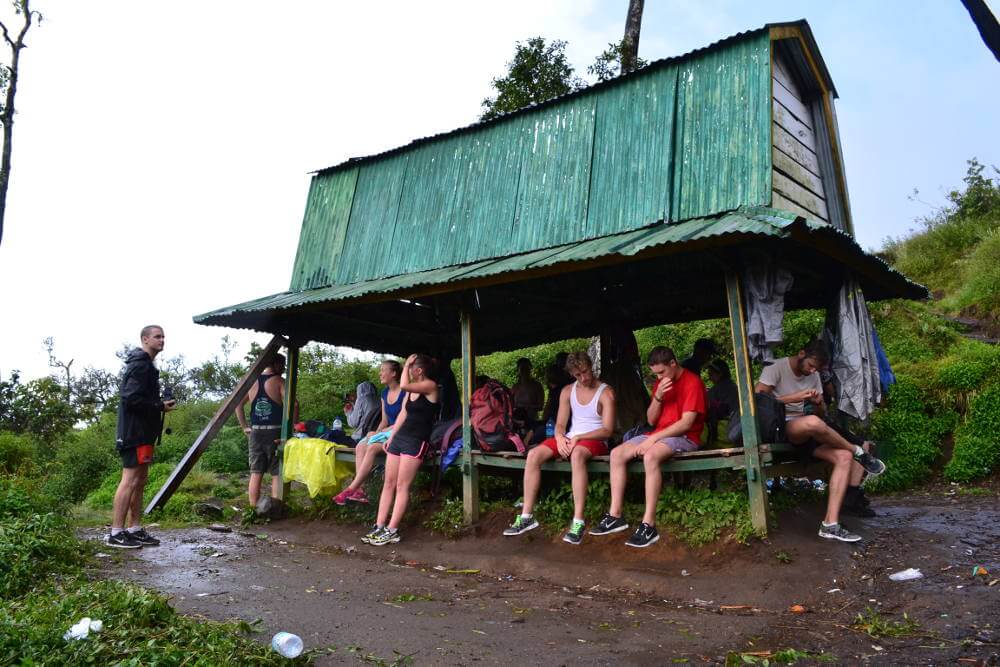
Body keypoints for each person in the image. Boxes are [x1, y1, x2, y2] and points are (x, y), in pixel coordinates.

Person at [755, 339, 886, 543]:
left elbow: (820, 413)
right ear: (801, 354)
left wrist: (818, 403)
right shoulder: (776, 367)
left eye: (817, 368)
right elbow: (757, 399)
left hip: (811, 431)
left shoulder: (814, 376)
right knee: (814, 424)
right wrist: (796, 397)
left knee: (842, 456)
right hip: (781, 425)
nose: (812, 371)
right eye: (810, 365)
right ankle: (858, 452)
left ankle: (830, 524)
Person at [591, 346, 706, 548]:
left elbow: (686, 423)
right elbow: (651, 420)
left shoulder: (692, 382)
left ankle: (648, 524)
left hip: (686, 437)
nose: (659, 377)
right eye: (655, 374)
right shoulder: (660, 383)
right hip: (658, 433)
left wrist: (651, 440)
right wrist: (659, 396)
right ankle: (615, 515)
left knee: (650, 455)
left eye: (661, 372)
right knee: (617, 453)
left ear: (673, 363)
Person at [504, 352, 615, 545]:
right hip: (571, 438)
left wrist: (579, 437)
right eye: (578, 375)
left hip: (594, 439)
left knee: (577, 454)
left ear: (591, 366)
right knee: (534, 454)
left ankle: (578, 520)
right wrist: (559, 437)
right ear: (571, 374)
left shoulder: (606, 392)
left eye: (586, 371)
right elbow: (561, 423)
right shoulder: (567, 391)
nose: (584, 378)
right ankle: (527, 516)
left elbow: (607, 430)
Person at [107, 325, 176, 549]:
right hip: (133, 433)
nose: (162, 340)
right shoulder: (140, 365)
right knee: (129, 481)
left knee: (140, 480)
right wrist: (158, 405)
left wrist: (159, 406)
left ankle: (134, 528)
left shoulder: (147, 365)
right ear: (145, 339)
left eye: (163, 336)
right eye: (157, 337)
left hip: (144, 433)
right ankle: (116, 533)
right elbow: (130, 399)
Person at [364, 354, 439, 546]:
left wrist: (404, 366)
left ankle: (392, 530)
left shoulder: (430, 386)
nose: (408, 370)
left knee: (401, 486)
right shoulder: (410, 391)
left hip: (416, 440)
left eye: (411, 367)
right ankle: (379, 525)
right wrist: (392, 437)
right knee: (388, 483)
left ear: (418, 371)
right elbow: (402, 415)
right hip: (400, 438)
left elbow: (404, 385)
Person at [333, 359, 403, 505]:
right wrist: (376, 432)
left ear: (394, 373)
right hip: (386, 431)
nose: (380, 373)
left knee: (371, 448)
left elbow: (402, 422)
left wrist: (380, 433)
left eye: (383, 370)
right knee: (360, 446)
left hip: (400, 432)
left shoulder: (404, 392)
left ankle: (353, 487)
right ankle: (360, 491)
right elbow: (384, 420)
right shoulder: (384, 394)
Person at [236, 354, 289, 509]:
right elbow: (295, 405)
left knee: (256, 472)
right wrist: (291, 428)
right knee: (277, 472)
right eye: (283, 364)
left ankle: (253, 509)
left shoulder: (252, 382)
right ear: (276, 363)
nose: (284, 367)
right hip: (275, 432)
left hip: (256, 432)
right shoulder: (279, 381)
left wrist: (244, 426)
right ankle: (275, 508)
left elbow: (237, 405)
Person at [511, 358, 544, 423]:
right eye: (522, 369)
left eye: (527, 368)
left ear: (530, 369)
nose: (525, 371)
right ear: (518, 370)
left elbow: (541, 406)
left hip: (532, 420)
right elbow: (511, 405)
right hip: (517, 420)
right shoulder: (515, 387)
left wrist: (527, 407)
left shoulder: (537, 386)